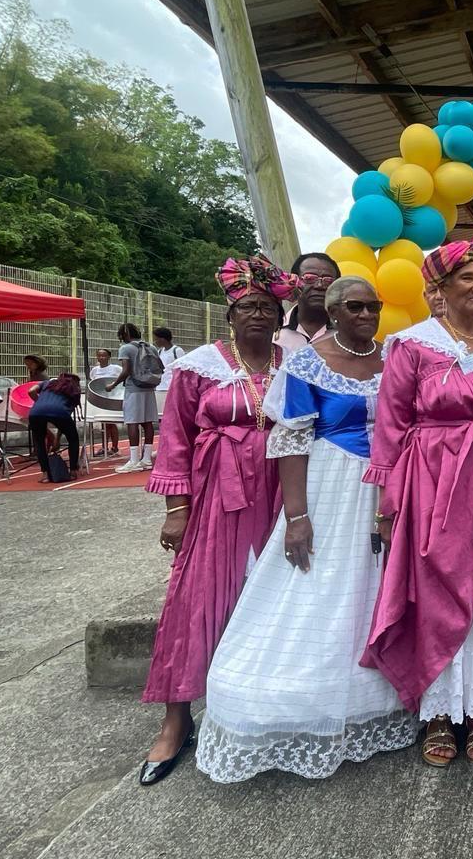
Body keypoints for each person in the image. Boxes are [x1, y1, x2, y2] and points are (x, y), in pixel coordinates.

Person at [197, 276, 418, 782]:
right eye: (355, 307)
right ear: (333, 312)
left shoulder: (395, 357)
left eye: (374, 306)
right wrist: (297, 517)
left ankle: (379, 698)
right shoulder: (307, 364)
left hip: (392, 484)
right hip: (332, 483)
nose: (367, 315)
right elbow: (291, 442)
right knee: (324, 582)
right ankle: (304, 701)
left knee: (379, 583)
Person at [361, 224, 473, 769]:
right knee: (440, 589)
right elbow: (391, 427)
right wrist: (389, 502)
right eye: (467, 277)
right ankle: (439, 711)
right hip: (435, 482)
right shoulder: (413, 345)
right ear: (440, 286)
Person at [137, 255, 297, 786]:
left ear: (280, 317)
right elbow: (175, 440)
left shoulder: (295, 363)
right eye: (247, 306)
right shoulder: (199, 366)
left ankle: (259, 710)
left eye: (267, 307)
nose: (258, 313)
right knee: (199, 596)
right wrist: (176, 509)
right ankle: (177, 718)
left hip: (282, 491)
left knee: (274, 596)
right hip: (217, 497)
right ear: (229, 314)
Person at [107, 324, 159, 473]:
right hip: (149, 387)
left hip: (134, 389)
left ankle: (134, 460)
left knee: (132, 422)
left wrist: (113, 384)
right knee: (147, 422)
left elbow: (126, 371)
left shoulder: (126, 348)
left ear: (124, 335)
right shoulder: (151, 347)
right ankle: (146, 459)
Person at [276, 252, 340, 353]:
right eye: (309, 278)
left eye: (328, 280)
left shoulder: (348, 332)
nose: (319, 285)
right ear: (293, 282)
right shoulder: (272, 331)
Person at [26, 373, 82, 482]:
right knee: (73, 439)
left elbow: (31, 391)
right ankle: (73, 471)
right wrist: (58, 439)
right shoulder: (74, 390)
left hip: (36, 412)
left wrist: (40, 402)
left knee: (39, 442)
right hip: (60, 412)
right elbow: (65, 418)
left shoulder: (47, 383)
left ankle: (45, 475)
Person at [89, 349, 123, 454]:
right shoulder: (94, 370)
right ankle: (104, 447)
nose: (101, 358)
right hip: (100, 399)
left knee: (110, 423)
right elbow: (93, 383)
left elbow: (123, 377)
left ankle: (114, 447)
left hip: (112, 397)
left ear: (109, 357)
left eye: (104, 356)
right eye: (99, 356)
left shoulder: (116, 368)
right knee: (103, 423)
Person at [152, 327, 185, 392]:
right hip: (160, 387)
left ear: (162, 339)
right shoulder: (160, 352)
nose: (155, 342)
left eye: (156, 339)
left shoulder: (177, 351)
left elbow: (183, 369)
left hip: (172, 388)